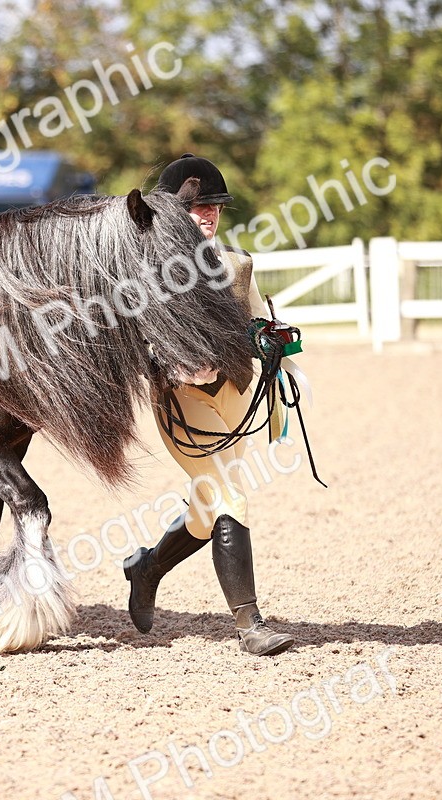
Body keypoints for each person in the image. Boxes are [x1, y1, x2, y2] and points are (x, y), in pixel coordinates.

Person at [123, 154, 296, 656]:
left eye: (214, 207)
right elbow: (130, 343)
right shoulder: (149, 274)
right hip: (182, 402)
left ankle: (146, 568)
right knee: (229, 499)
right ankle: (250, 627)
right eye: (199, 207)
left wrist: (272, 340)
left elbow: (258, 318)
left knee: (205, 512)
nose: (208, 215)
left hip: (235, 397)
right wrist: (162, 362)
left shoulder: (238, 263)